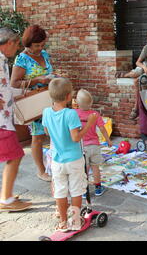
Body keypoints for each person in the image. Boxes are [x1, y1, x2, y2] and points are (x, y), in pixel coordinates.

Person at [42, 78, 98, 232]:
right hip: (74, 159)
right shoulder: (71, 114)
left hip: (57, 160)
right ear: (68, 96)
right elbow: (76, 137)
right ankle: (75, 220)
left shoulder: (46, 112)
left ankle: (63, 222)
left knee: (60, 191)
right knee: (76, 190)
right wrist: (89, 123)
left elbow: (47, 132)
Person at [11, 25, 55, 182]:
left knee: (53, 133)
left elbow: (48, 72)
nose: (40, 48)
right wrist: (38, 80)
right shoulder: (21, 59)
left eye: (42, 45)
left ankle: (54, 165)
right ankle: (41, 171)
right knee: (37, 137)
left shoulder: (44, 54)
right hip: (35, 103)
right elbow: (14, 83)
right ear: (27, 44)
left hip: (50, 99)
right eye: (37, 45)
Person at [0, 28, 33, 212]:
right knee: (15, 155)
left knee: (13, 155)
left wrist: (24, 93)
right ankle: (6, 199)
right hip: (1, 122)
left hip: (5, 118)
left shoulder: (3, 60)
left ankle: (6, 194)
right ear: (10, 43)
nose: (18, 48)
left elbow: (5, 88)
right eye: (17, 44)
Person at [75, 89, 112, 197]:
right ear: (91, 103)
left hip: (82, 147)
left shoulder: (74, 113)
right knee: (95, 167)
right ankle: (98, 188)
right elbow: (102, 129)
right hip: (95, 146)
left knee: (84, 169)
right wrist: (108, 140)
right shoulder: (95, 114)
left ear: (77, 102)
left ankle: (84, 191)